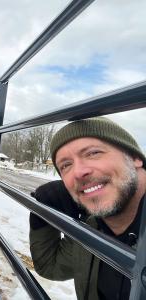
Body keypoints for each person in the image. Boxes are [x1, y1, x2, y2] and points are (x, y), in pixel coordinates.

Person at [29, 117, 146, 300]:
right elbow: (50, 265)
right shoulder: (92, 228)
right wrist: (42, 214)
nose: (78, 172)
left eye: (93, 153)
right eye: (66, 165)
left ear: (135, 157)